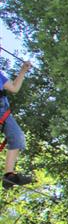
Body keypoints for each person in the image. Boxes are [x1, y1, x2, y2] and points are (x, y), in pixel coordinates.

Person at [1, 57, 33, 189]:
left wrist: (23, 70)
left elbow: (14, 88)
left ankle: (9, 176)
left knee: (17, 136)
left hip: (2, 110)